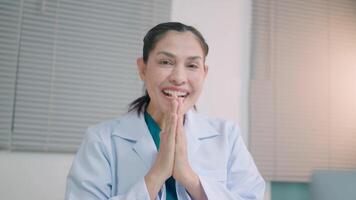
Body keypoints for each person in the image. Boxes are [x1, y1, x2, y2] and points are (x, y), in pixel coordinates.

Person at [65, 22, 265, 200]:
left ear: (204, 74)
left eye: (192, 65)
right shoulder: (102, 140)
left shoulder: (227, 135)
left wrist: (190, 178)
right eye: (165, 62)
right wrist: (156, 175)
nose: (179, 77)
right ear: (143, 69)